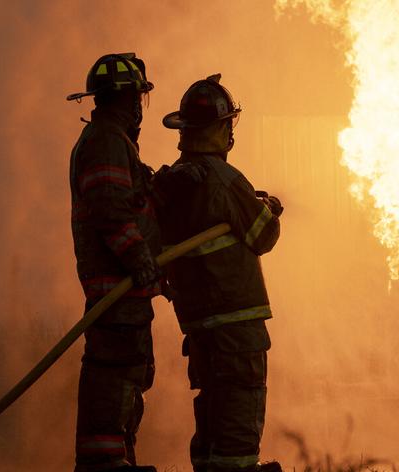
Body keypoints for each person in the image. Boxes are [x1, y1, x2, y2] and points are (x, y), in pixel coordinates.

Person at [155, 74, 283, 472]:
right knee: (238, 428)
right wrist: (268, 211)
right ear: (220, 129)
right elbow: (264, 235)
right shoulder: (224, 179)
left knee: (211, 423)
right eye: (228, 124)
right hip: (237, 330)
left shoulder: (172, 182)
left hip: (200, 328)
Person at [66, 53, 162, 472]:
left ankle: (118, 459)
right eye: (138, 97)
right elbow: (109, 208)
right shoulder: (106, 141)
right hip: (115, 290)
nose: (140, 106)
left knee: (129, 381)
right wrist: (139, 257)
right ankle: (103, 464)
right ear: (126, 99)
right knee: (114, 378)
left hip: (126, 292)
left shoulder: (115, 140)